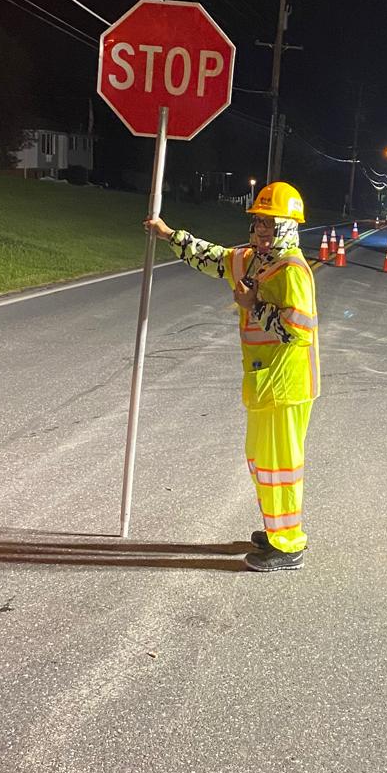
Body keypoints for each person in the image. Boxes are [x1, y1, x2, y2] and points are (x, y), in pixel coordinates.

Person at [145, 181, 319, 573]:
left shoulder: (292, 270)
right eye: (258, 222)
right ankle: (275, 531)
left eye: (270, 223)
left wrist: (253, 305)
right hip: (265, 384)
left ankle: (289, 545)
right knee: (261, 461)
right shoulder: (255, 261)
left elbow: (299, 330)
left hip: (287, 387)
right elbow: (215, 258)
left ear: (288, 227)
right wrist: (169, 235)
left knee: (279, 466)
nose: (261, 229)